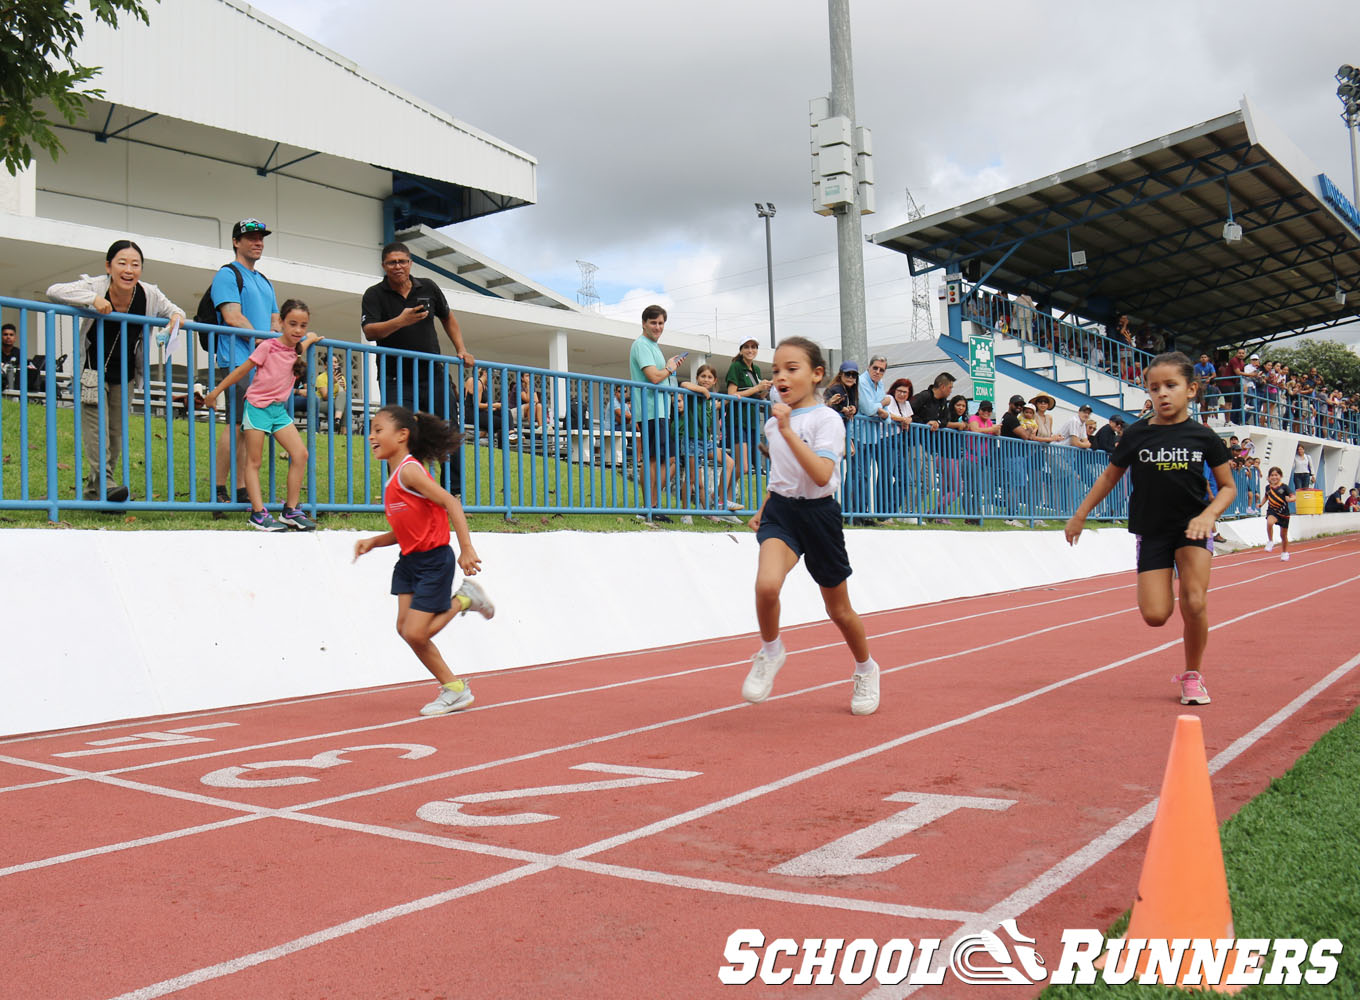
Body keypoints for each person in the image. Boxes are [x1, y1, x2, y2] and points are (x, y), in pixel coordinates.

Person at [1065, 352, 1235, 706]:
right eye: (1154, 387)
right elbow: (1110, 476)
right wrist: (1080, 514)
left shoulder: (1204, 437)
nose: (1162, 393)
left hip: (1192, 530)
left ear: (1191, 390)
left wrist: (1210, 515)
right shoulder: (1136, 434)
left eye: (1170, 386)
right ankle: (1166, 588)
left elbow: (1228, 487)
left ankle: (1193, 675)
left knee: (1194, 600)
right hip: (1152, 531)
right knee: (1156, 615)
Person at [741, 336, 880, 716]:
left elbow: (821, 475)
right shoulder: (775, 423)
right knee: (766, 585)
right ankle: (771, 652)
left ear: (817, 375)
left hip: (820, 517)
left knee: (839, 611)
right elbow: (780, 475)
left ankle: (866, 668)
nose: (780, 377)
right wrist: (762, 508)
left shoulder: (827, 419)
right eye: (775, 371)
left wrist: (787, 430)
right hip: (782, 513)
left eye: (791, 369)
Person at [352, 405, 494, 716]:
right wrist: (374, 542)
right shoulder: (394, 476)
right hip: (409, 561)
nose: (371, 436)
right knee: (405, 629)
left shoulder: (409, 470)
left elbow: (450, 503)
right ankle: (454, 689)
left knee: (417, 633)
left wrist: (466, 548)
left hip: (433, 560)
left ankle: (465, 601)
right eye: (371, 430)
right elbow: (405, 528)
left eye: (378, 430)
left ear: (402, 435)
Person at [46, 239, 186, 503]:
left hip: (126, 375)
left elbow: (176, 310)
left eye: (135, 264)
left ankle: (95, 493)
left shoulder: (149, 294)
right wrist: (93, 299)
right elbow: (54, 291)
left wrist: (176, 319)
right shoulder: (97, 286)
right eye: (122, 263)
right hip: (93, 372)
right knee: (97, 431)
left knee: (116, 434)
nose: (128, 270)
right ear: (109, 266)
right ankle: (108, 484)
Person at [361, 241, 474, 489]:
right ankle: (404, 489)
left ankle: (452, 491)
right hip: (395, 377)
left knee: (448, 430)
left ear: (410, 263)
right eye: (392, 262)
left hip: (433, 374)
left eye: (402, 261)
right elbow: (369, 331)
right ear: (384, 266)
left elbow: (448, 317)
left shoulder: (429, 287)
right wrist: (400, 321)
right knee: (398, 433)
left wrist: (461, 349)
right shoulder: (374, 294)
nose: (398, 266)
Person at [202, 299, 322, 531]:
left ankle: (291, 510)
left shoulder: (297, 347)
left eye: (303, 325)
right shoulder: (267, 346)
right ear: (281, 322)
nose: (298, 330)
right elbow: (241, 372)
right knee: (254, 461)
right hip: (257, 408)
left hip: (278, 412)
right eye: (293, 324)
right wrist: (215, 392)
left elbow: (306, 341)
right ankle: (258, 514)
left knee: (300, 454)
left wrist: (312, 337)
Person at [206, 218, 282, 515]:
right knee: (235, 423)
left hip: (262, 363)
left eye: (261, 237)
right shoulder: (227, 274)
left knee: (249, 426)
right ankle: (219, 490)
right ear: (236, 242)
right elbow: (233, 316)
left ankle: (240, 489)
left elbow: (275, 321)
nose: (258, 242)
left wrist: (276, 347)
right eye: (251, 237)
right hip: (238, 360)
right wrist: (264, 344)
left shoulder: (264, 281)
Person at [629, 304, 685, 521]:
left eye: (661, 323)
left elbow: (661, 376)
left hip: (661, 411)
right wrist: (669, 368)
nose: (658, 327)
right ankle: (648, 508)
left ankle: (653, 506)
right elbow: (653, 376)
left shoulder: (653, 346)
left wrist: (670, 368)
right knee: (653, 459)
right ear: (644, 323)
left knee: (664, 459)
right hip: (650, 411)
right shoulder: (641, 345)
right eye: (653, 322)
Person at [678, 363, 742, 512]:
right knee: (692, 478)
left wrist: (733, 397)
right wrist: (701, 389)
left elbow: (718, 404)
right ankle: (685, 512)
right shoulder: (692, 394)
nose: (706, 379)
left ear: (714, 381)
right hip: (692, 441)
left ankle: (720, 500)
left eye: (709, 377)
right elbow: (684, 383)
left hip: (706, 442)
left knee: (729, 462)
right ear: (697, 378)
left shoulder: (709, 400)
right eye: (703, 376)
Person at [724, 338, 772, 473]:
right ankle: (718, 494)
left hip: (751, 421)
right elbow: (731, 393)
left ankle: (725, 494)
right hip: (737, 420)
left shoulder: (756, 369)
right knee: (742, 466)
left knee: (745, 467)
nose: (750, 350)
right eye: (746, 347)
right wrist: (757, 388)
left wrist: (766, 388)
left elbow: (758, 396)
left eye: (753, 347)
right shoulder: (736, 366)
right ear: (741, 350)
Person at [1261, 467, 1296, 560]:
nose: (1274, 477)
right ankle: (1270, 541)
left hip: (1284, 513)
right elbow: (1266, 496)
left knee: (1283, 535)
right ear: (1269, 477)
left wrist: (1290, 499)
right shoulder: (1268, 487)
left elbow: (1293, 497)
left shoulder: (1284, 487)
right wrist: (1261, 504)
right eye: (1272, 475)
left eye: (1276, 475)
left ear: (1280, 476)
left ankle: (1285, 552)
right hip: (1272, 511)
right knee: (1269, 522)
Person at [1193, 353, 1219, 424]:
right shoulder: (1196, 367)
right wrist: (1203, 378)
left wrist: (1209, 378)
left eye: (1205, 357)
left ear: (1208, 359)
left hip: (1207, 387)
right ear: (1200, 359)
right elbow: (1194, 377)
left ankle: (1205, 422)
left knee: (1207, 404)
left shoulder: (1210, 365)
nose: (1204, 358)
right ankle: (1203, 421)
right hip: (1200, 387)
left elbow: (1214, 374)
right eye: (1202, 357)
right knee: (1202, 404)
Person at [0, 323, 18, 390]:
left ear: (15, 338)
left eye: (11, 335)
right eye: (5, 334)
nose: (8, 337)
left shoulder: (18, 353)